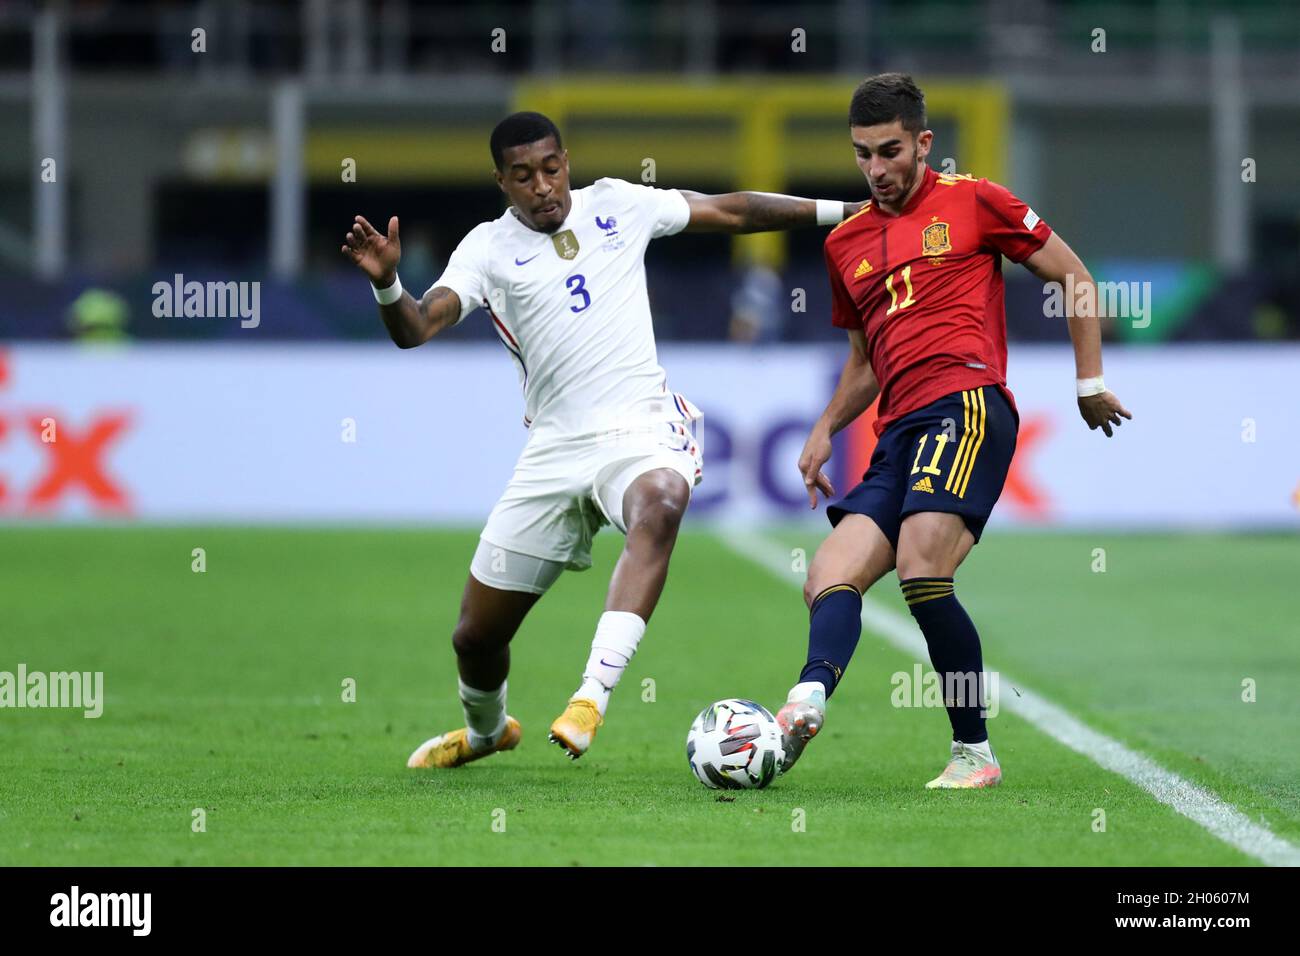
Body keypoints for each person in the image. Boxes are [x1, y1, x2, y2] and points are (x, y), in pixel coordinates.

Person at [341, 111, 861, 768]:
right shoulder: (485, 250)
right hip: (554, 449)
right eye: (524, 176)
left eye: (552, 168)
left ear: (566, 161)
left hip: (640, 428)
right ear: (502, 181)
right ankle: (485, 733)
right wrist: (387, 281)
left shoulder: (618, 203)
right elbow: (415, 327)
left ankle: (592, 694)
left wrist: (848, 211)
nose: (543, 187)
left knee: (664, 500)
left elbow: (731, 211)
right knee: (475, 637)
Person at [779, 74, 1132, 788]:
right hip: (898, 428)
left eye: (890, 151)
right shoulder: (846, 244)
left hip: (967, 405)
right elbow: (864, 364)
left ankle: (974, 752)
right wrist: (822, 430)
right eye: (862, 155)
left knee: (920, 564)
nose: (876, 170)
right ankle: (803, 705)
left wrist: (1088, 383)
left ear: (923, 143)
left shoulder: (974, 201)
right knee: (828, 574)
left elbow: (1074, 276)